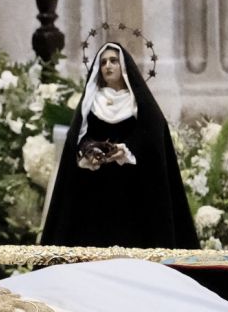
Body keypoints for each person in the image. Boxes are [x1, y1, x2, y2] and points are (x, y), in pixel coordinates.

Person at [39, 42, 196, 248]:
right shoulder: (92, 101)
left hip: (132, 189)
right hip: (96, 188)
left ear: (124, 66)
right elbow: (78, 137)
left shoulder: (138, 103)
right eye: (103, 62)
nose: (108, 66)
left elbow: (152, 136)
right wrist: (88, 149)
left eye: (114, 61)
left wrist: (127, 149)